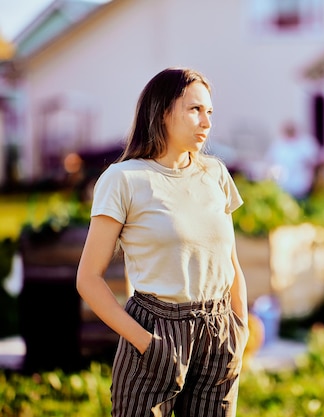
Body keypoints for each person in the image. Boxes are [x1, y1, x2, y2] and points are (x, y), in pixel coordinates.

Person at [76, 68, 249, 417]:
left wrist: (239, 328)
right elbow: (88, 279)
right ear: (162, 112)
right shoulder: (124, 179)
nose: (207, 122)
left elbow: (230, 263)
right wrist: (147, 344)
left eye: (210, 112)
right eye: (195, 110)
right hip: (156, 328)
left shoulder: (215, 174)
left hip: (219, 332)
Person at [265, 120, 320, 200]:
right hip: (282, 187)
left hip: (300, 187)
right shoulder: (278, 145)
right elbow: (270, 163)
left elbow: (316, 161)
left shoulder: (305, 143)